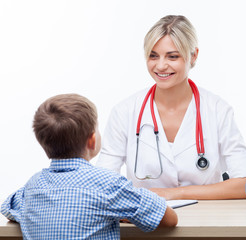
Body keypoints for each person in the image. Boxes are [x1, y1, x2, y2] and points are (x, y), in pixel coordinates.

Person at [97, 15, 246, 200]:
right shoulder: (124, 112)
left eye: (172, 56)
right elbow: (104, 181)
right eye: (153, 56)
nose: (161, 66)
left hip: (207, 222)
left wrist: (174, 194)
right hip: (147, 224)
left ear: (193, 55)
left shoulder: (217, 110)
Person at [1, 94, 177, 239]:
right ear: (92, 140)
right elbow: (168, 218)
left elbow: (7, 207)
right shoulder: (109, 184)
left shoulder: (33, 186)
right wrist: (122, 211)